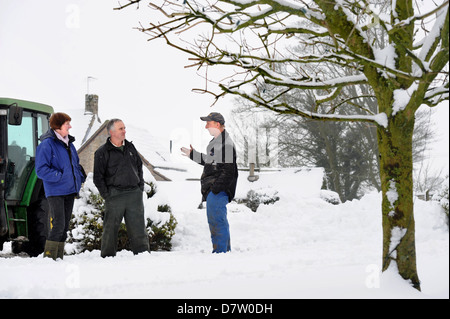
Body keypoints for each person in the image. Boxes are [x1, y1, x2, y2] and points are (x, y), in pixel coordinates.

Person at [181, 112, 238, 253]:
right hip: (215, 189)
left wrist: (216, 188)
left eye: (208, 123)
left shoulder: (226, 144)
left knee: (216, 221)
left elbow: (228, 171)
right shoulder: (216, 143)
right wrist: (192, 155)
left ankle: (220, 252)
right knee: (218, 220)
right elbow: (210, 161)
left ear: (217, 124)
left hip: (219, 190)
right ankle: (225, 252)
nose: (206, 126)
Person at [93, 119, 150, 258]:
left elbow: (139, 167)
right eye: (121, 129)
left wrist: (140, 187)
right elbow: (98, 177)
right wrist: (107, 195)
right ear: (111, 132)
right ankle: (107, 256)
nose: (124, 131)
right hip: (115, 195)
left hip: (134, 195)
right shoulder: (102, 152)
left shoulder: (130, 147)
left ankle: (143, 255)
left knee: (138, 228)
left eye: (124, 128)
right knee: (110, 229)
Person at [36, 112, 86, 260]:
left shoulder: (69, 144)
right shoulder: (47, 145)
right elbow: (41, 170)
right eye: (67, 124)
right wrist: (60, 176)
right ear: (58, 126)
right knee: (58, 225)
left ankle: (58, 257)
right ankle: (49, 257)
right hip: (56, 191)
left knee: (64, 227)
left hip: (70, 190)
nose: (70, 126)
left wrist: (80, 177)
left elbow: (75, 165)